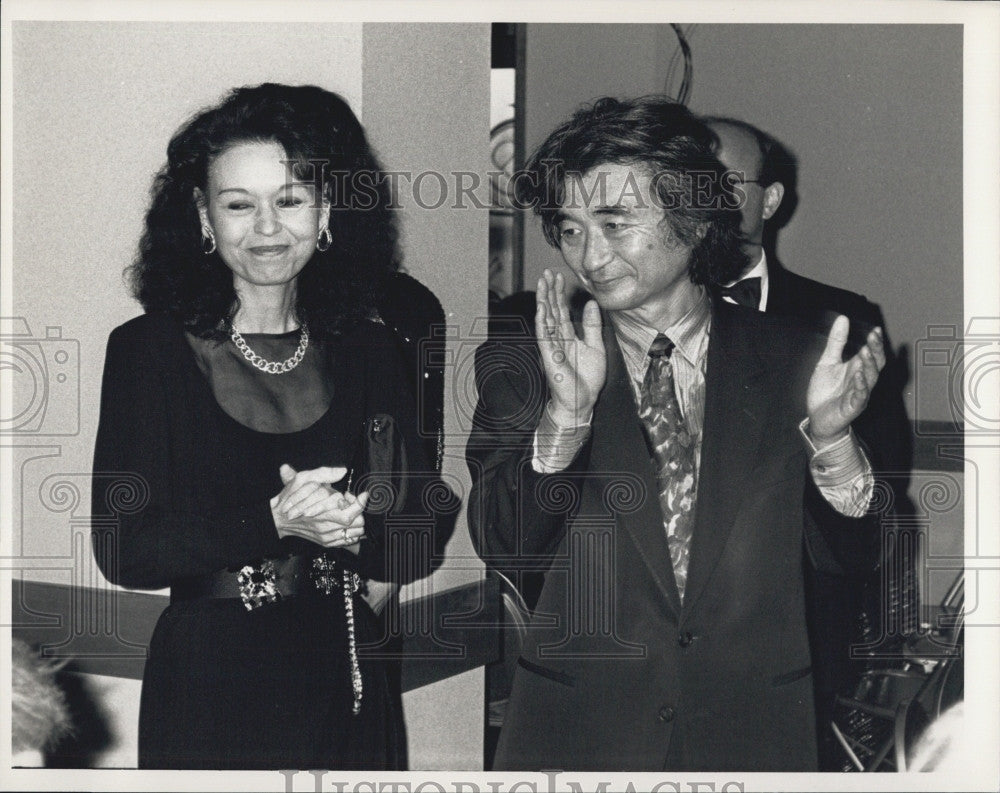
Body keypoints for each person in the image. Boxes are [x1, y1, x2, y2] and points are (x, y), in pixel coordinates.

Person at [467, 96, 886, 771]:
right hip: (580, 733)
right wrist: (566, 420)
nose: (589, 254)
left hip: (754, 731)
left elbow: (857, 559)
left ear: (693, 220)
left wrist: (834, 447)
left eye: (614, 222)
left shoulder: (800, 358)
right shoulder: (532, 360)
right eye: (569, 228)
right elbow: (505, 543)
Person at [91, 83, 436, 770]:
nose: (268, 228)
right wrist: (273, 521)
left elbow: (415, 542)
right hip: (210, 681)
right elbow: (124, 549)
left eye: (291, 199)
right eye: (239, 204)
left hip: (347, 671)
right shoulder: (146, 350)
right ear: (203, 216)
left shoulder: (369, 348)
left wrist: (364, 526)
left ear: (327, 209)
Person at [705, 115, 914, 769]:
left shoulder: (841, 321)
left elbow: (881, 490)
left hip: (800, 634)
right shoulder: (620, 318)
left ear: (770, 200)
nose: (703, 199)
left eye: (723, 182)